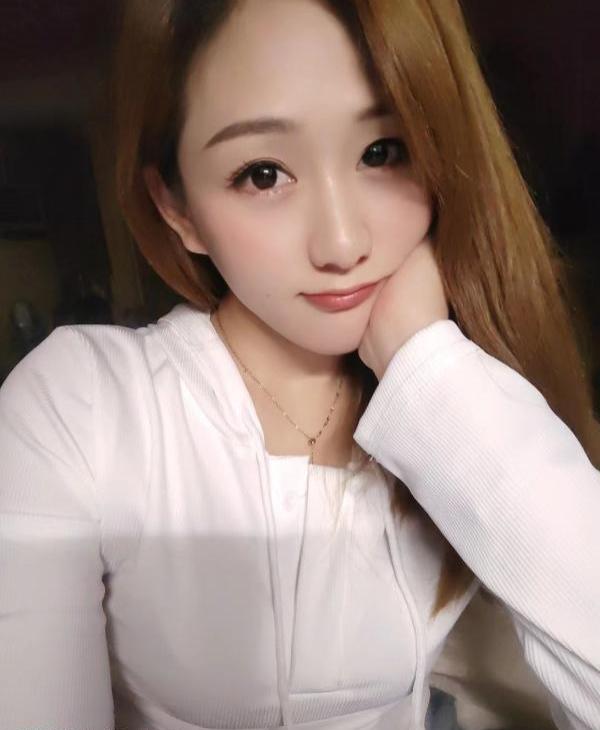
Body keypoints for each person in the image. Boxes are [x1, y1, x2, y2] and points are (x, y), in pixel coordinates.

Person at [0, 1, 598, 729]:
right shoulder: (86, 405)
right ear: (176, 207)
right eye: (262, 174)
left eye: (383, 152)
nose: (342, 243)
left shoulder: (470, 402)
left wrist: (429, 368)